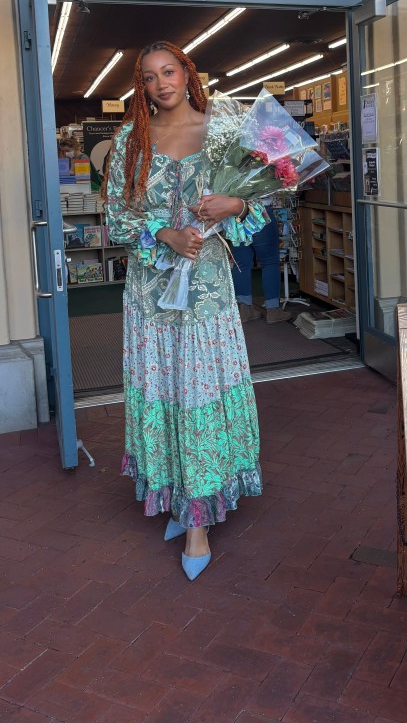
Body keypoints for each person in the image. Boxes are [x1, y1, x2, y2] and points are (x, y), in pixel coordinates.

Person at [104, 41, 267, 582]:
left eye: (168, 71)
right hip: (151, 298)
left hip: (206, 297)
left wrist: (236, 203)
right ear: (142, 86)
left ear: (186, 73)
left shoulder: (224, 130)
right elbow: (118, 217)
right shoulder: (131, 139)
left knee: (198, 394)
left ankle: (197, 519)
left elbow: (264, 202)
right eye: (150, 77)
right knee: (167, 392)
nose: (161, 84)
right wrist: (163, 233)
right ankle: (177, 495)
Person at [231, 197, 292, 324]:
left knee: (240, 264)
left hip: (236, 213)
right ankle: (273, 310)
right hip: (259, 210)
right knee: (269, 262)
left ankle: (245, 309)